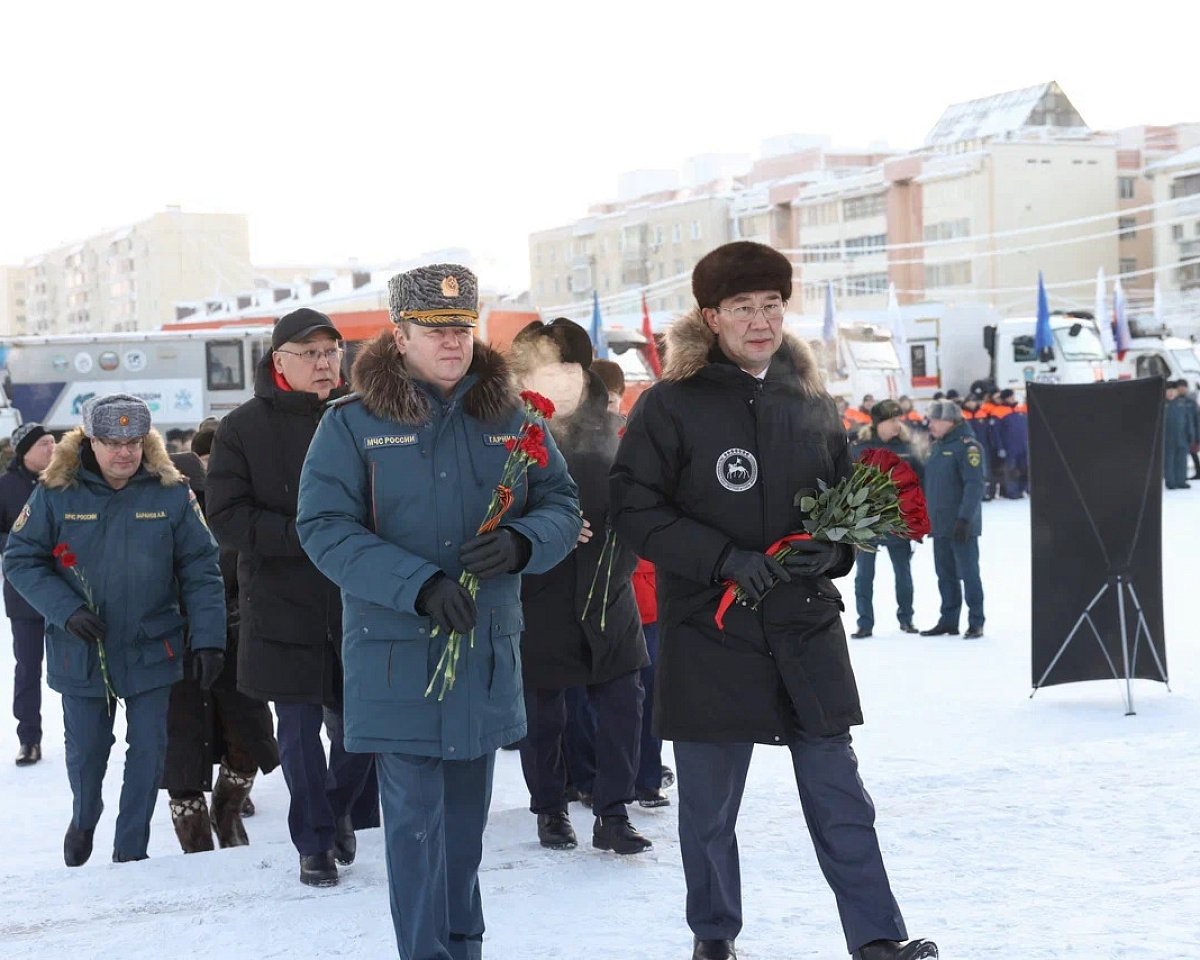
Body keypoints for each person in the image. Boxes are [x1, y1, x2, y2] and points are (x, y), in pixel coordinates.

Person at [610, 241, 937, 960]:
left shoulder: (813, 403)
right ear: (711, 317)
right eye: (742, 308)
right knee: (707, 810)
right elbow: (634, 509)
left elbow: (847, 503)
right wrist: (722, 560)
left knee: (840, 797)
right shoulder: (670, 406)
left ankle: (878, 939)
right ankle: (714, 937)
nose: (760, 322)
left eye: (771, 306)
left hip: (804, 629)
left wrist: (838, 551)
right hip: (711, 633)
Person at [296, 264, 581, 960]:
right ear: (399, 335)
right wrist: (416, 584)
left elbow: (562, 507)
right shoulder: (352, 425)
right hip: (398, 658)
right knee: (416, 835)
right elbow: (323, 527)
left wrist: (520, 543)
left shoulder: (514, 419)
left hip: (482, 656)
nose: (452, 341)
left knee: (462, 836)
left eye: (461, 327)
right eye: (434, 329)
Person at [4, 394, 225, 866]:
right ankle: (85, 815)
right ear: (89, 441)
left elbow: (201, 568)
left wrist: (208, 638)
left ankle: (131, 848)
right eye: (111, 442)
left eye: (133, 441)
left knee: (149, 754)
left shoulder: (171, 492)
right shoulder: (56, 491)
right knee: (87, 755)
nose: (124, 452)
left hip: (153, 646)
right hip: (83, 650)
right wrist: (66, 610)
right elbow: (20, 559)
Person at [206, 307, 379, 887]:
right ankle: (314, 843)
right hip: (281, 600)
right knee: (299, 729)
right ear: (279, 361)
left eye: (332, 352)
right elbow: (227, 517)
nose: (325, 363)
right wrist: (308, 536)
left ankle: (332, 811)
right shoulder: (242, 428)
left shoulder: (366, 417)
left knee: (362, 727)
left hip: (356, 597)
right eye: (310, 354)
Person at [508, 318, 651, 855]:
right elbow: (486, 506)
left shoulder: (614, 426)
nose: (560, 380)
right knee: (543, 714)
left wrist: (628, 526)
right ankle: (549, 808)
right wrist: (542, 532)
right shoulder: (508, 427)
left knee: (622, 703)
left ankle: (613, 811)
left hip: (608, 585)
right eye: (548, 369)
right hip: (538, 591)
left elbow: (643, 492)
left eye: (569, 368)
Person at [160, 430, 279, 852]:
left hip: (233, 648)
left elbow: (251, 579)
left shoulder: (228, 523)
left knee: (247, 739)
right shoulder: (153, 531)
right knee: (182, 755)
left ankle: (227, 817)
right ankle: (195, 845)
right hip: (171, 654)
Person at [1, 423, 56, 765]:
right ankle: (29, 738)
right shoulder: (5, 488)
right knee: (27, 667)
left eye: (54, 442)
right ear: (26, 451)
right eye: (45, 444)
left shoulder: (65, 482)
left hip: (69, 590)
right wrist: (19, 545)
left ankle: (88, 735)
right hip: (24, 593)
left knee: (80, 667)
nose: (52, 448)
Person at [848, 400, 923, 638]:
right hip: (866, 524)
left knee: (903, 573)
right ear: (878, 423)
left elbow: (921, 485)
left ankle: (907, 618)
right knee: (864, 576)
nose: (897, 425)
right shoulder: (859, 448)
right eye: (892, 420)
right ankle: (865, 622)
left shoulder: (908, 448)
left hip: (897, 522)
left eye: (898, 419)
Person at [920, 400, 985, 639]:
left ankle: (976, 620)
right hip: (940, 525)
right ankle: (948, 620)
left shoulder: (968, 447)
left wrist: (965, 519)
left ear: (951, 421)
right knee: (944, 574)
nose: (931, 425)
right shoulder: (938, 447)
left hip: (961, 525)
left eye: (935, 421)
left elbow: (975, 485)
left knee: (968, 573)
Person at [1163, 380, 1196, 490]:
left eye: (1173, 391)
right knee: (1169, 460)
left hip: (1182, 436)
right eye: (1168, 391)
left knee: (1182, 459)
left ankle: (1181, 480)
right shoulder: (1162, 405)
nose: (1171, 393)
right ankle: (1170, 481)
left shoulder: (1182, 404)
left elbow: (1189, 421)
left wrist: (1191, 434)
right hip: (1167, 438)